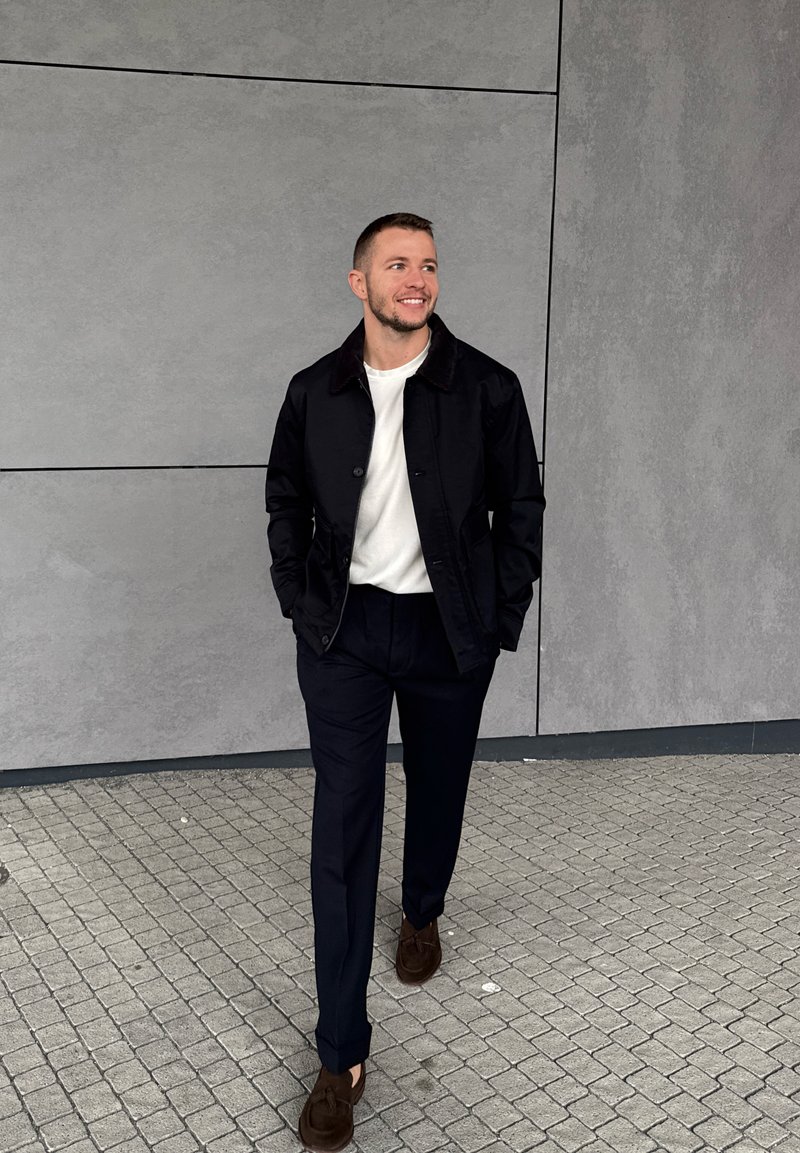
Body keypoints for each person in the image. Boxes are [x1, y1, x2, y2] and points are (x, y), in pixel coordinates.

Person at [266, 212, 545, 1152]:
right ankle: (340, 1051)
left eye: (428, 264)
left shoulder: (488, 388)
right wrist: (302, 606)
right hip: (344, 629)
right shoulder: (316, 390)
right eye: (397, 264)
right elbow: (286, 500)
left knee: (438, 791)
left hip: (445, 628)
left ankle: (422, 908)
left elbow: (523, 505)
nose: (416, 278)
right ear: (360, 283)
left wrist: (498, 620)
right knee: (342, 825)